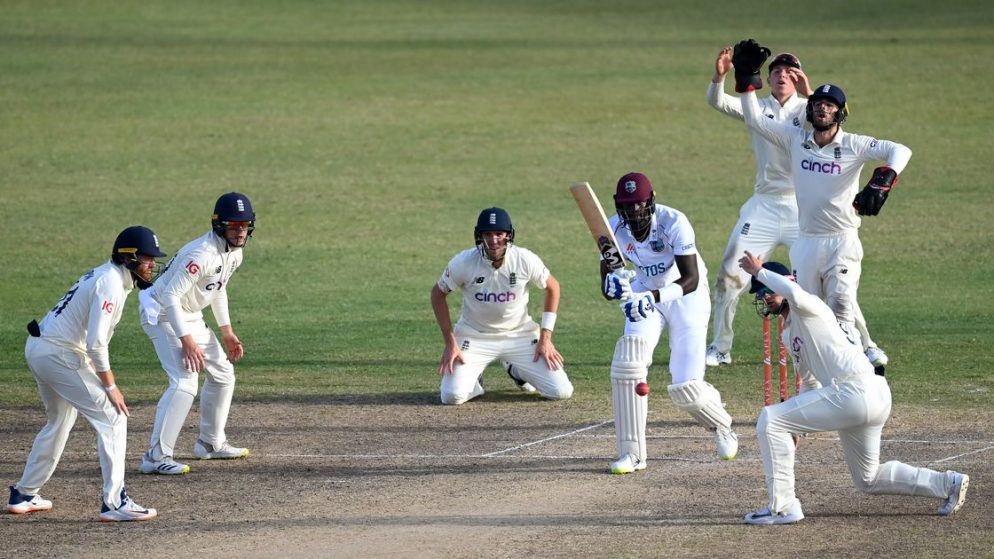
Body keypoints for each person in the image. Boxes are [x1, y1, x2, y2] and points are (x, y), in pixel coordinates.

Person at [737, 251, 969, 524]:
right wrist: (797, 427)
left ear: (785, 283)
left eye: (768, 291)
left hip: (855, 391)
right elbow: (810, 381)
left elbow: (793, 292)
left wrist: (759, 271)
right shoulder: (789, 332)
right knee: (868, 479)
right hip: (863, 397)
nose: (765, 297)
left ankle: (783, 507)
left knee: (770, 418)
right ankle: (947, 484)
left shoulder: (808, 305)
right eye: (760, 294)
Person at [731, 39, 912, 372]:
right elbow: (755, 120)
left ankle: (860, 372)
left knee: (841, 307)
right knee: (809, 314)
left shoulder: (854, 144)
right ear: (809, 109)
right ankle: (818, 382)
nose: (822, 108)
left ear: (840, 112)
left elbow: (900, 150)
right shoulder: (795, 138)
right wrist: (746, 77)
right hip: (807, 242)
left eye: (830, 105)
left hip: (842, 239)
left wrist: (883, 179)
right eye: (817, 104)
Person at [8, 226, 164, 522]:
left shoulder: (108, 277)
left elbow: (82, 332)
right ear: (129, 258)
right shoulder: (110, 284)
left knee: (59, 420)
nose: (152, 265)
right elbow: (96, 343)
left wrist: (90, 367)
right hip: (58, 354)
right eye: (147, 258)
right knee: (113, 417)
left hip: (43, 348)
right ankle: (115, 502)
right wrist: (110, 385)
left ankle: (25, 494)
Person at [600, 172, 737, 474]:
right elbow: (610, 274)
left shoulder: (674, 222)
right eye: (627, 206)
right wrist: (614, 287)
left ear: (650, 201)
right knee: (628, 363)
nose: (634, 213)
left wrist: (651, 296)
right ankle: (632, 454)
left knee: (686, 388)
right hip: (645, 296)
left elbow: (690, 279)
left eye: (639, 205)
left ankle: (723, 425)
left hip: (685, 296)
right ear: (618, 205)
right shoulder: (611, 228)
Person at [138, 192, 255, 475]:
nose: (240, 232)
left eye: (245, 225)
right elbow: (170, 297)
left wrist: (226, 331)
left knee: (223, 374)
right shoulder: (201, 254)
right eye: (234, 225)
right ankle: (155, 457)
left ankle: (210, 443)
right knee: (184, 383)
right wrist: (186, 340)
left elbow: (217, 287)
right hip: (162, 313)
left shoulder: (234, 253)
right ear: (219, 225)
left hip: (187, 314)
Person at [430, 207, 574, 405]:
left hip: (519, 336)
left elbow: (553, 287)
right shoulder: (464, 262)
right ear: (479, 236)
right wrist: (450, 342)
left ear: (509, 235)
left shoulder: (524, 259)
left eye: (499, 233)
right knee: (451, 397)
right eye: (487, 234)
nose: (493, 240)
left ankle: (515, 369)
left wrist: (545, 338)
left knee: (561, 391)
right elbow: (437, 294)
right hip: (474, 336)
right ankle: (475, 379)